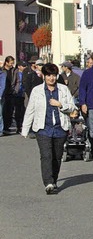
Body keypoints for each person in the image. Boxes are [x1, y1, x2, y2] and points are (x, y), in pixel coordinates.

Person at [21, 63, 76, 194]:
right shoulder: (37, 90)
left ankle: (54, 179)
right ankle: (49, 183)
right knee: (46, 155)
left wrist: (60, 104)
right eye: (48, 75)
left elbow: (72, 107)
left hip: (60, 128)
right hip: (43, 128)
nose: (51, 78)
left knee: (57, 157)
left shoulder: (63, 89)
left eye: (53, 75)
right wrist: (25, 129)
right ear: (44, 76)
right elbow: (30, 110)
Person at [11, 61, 27, 133]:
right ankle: (18, 126)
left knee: (23, 110)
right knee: (18, 110)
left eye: (25, 66)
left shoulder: (26, 73)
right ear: (19, 66)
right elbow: (13, 82)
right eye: (23, 66)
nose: (24, 67)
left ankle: (23, 125)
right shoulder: (16, 72)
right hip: (17, 93)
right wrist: (14, 90)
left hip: (24, 93)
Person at [2, 56, 16, 134]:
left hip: (11, 92)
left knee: (10, 111)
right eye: (11, 63)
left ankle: (7, 127)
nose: (12, 64)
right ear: (6, 62)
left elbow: (16, 81)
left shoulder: (13, 70)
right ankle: (4, 127)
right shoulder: (2, 70)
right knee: (4, 111)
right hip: (4, 93)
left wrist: (15, 90)